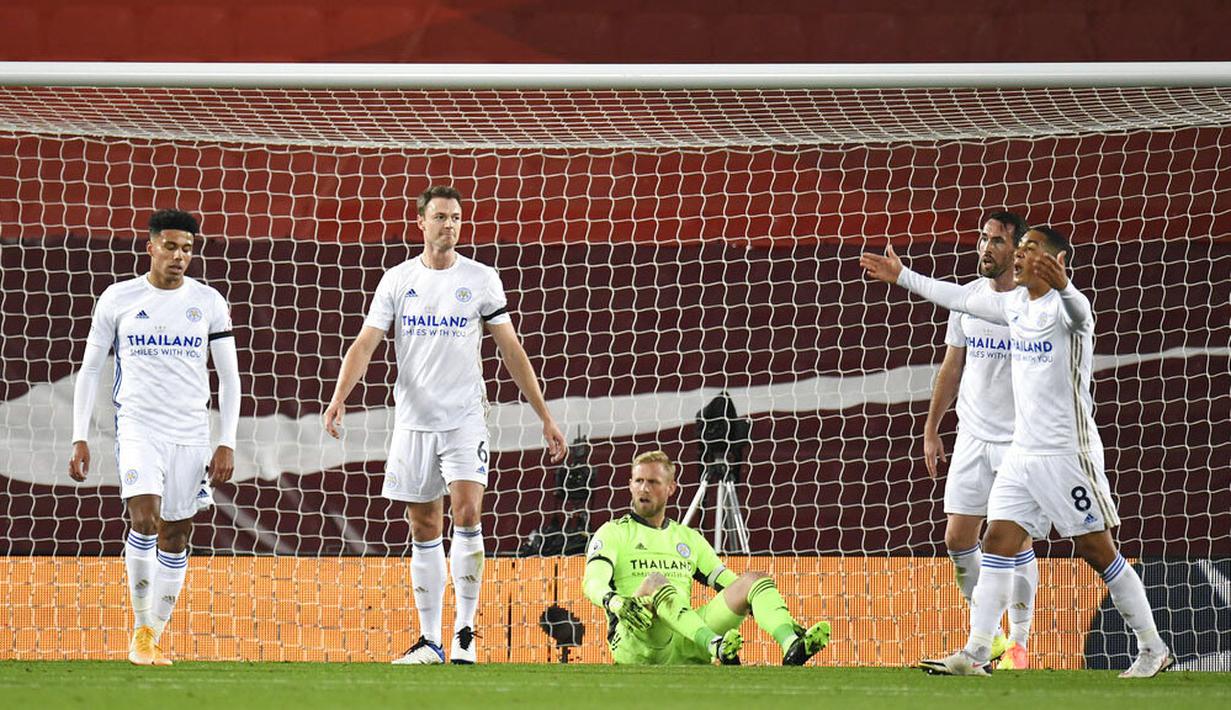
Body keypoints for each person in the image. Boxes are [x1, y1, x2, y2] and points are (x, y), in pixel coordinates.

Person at [861, 226, 1173, 678]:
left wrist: (1065, 286)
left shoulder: (1069, 309)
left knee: (1097, 550)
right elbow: (958, 298)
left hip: (1066, 455)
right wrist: (903, 275)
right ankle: (976, 652)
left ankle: (1152, 648)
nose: (1022, 255)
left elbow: (1079, 313)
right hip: (1022, 453)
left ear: (1054, 261)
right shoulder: (1014, 305)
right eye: (1021, 248)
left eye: (1030, 249)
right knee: (997, 543)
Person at [323, 184, 566, 665]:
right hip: (414, 422)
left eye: (455, 217)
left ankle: (465, 633)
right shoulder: (397, 280)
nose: (449, 225)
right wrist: (338, 398)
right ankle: (430, 639)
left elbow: (511, 349)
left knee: (468, 512)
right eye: (439, 217)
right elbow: (366, 343)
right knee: (424, 525)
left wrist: (544, 415)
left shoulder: (481, 278)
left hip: (464, 418)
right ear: (421, 223)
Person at [68, 209, 241, 666]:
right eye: (170, 246)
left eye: (187, 249)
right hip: (138, 427)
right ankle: (141, 632)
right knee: (144, 519)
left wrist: (226, 440)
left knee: (176, 534)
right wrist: (79, 436)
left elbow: (229, 377)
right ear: (151, 247)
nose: (179, 256)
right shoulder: (118, 298)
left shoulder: (208, 302)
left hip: (190, 433)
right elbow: (90, 369)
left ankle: (152, 635)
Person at [583, 450, 831, 666]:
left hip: (686, 639)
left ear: (671, 488)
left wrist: (784, 618)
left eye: (653, 482)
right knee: (655, 581)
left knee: (752, 581)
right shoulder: (613, 532)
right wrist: (615, 602)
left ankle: (791, 643)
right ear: (630, 485)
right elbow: (592, 582)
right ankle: (716, 646)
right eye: (638, 481)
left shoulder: (688, 538)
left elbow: (729, 583)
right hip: (638, 638)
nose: (644, 488)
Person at [922, 212, 1037, 670]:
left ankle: (1018, 645)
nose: (986, 247)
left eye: (997, 241)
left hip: (1018, 441)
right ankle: (988, 636)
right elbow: (952, 366)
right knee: (957, 538)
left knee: (1009, 540)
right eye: (983, 238)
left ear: (1017, 251)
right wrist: (932, 428)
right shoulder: (967, 299)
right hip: (971, 436)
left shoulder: (1032, 304)